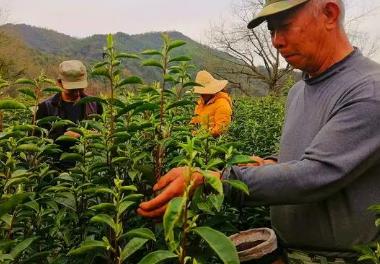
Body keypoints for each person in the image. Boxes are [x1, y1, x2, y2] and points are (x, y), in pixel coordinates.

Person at [138, 0, 380, 263]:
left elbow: (316, 173)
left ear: (329, 14)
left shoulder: (369, 89)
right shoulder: (299, 90)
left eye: (285, 26)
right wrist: (266, 164)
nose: (276, 41)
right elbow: (300, 158)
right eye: (271, 30)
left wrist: (214, 180)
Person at [36, 60, 103, 167]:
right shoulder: (46, 107)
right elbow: (36, 141)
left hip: (88, 168)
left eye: (80, 88)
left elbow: (102, 133)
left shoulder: (95, 104)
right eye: (71, 89)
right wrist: (62, 137)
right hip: (55, 168)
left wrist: (93, 135)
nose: (77, 93)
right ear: (59, 83)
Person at [190, 70, 232, 137]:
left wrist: (200, 135)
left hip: (213, 144)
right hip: (198, 141)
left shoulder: (222, 104)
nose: (202, 94)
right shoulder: (200, 103)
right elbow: (194, 121)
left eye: (205, 92)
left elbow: (221, 129)